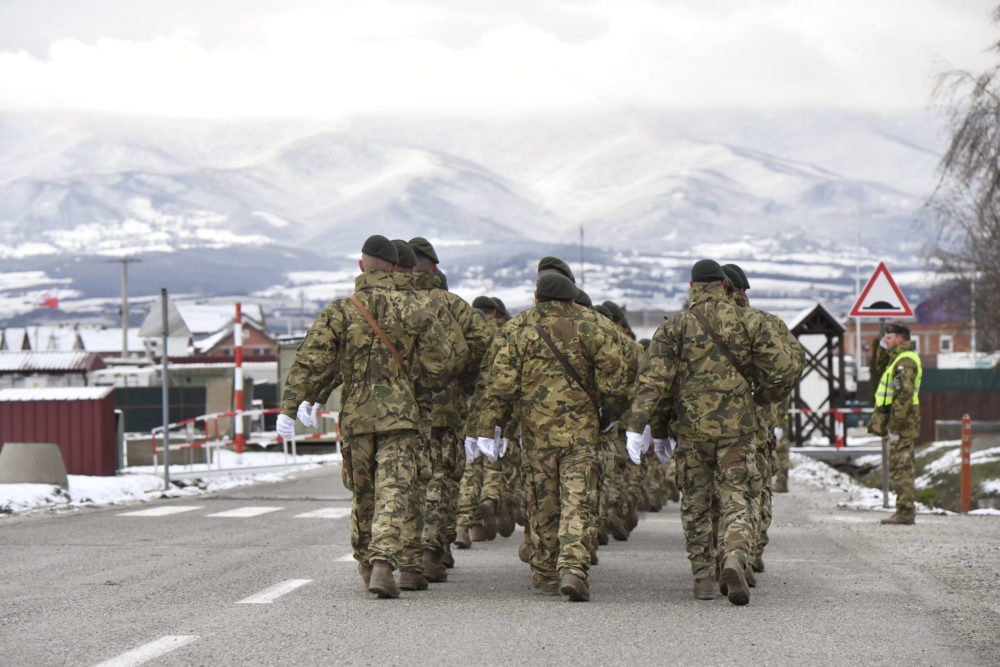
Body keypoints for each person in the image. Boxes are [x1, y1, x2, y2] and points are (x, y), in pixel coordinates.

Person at [276, 234, 458, 599]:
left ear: (361, 266)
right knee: (395, 489)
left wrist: (292, 406)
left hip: (357, 417)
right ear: (394, 266)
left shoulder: (342, 310)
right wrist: (413, 385)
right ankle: (383, 563)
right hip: (402, 418)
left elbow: (311, 361)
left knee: (363, 492)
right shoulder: (417, 307)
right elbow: (444, 362)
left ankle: (366, 562)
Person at [626, 259, 799, 606]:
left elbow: (653, 380)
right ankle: (734, 556)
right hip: (739, 430)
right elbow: (783, 371)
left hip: (691, 431)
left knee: (697, 503)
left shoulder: (675, 327)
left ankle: (703, 578)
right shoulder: (752, 321)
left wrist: (638, 425)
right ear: (724, 285)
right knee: (736, 495)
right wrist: (761, 399)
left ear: (692, 287)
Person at [472, 272, 632, 601]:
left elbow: (499, 385)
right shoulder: (595, 325)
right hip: (582, 433)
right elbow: (617, 380)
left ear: (536, 299)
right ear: (572, 299)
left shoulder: (517, 328)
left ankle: (545, 571)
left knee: (542, 503)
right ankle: (573, 568)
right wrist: (609, 416)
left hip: (536, 434)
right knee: (578, 502)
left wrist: (493, 427)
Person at [872, 323, 922, 525]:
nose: (887, 340)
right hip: (900, 421)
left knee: (901, 467)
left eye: (890, 338)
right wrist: (883, 349)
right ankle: (903, 509)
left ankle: (906, 511)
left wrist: (895, 427)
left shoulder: (905, 362)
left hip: (903, 423)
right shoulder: (898, 358)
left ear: (900, 339)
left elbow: (904, 396)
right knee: (898, 465)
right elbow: (880, 367)